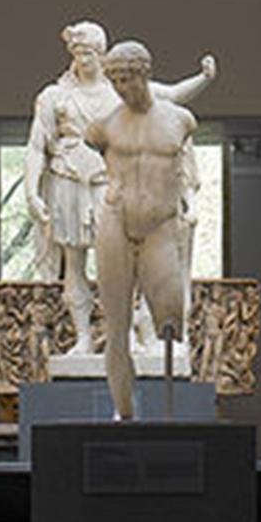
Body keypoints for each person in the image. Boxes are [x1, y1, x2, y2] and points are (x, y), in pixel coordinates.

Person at [90, 40, 204, 420]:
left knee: (171, 320)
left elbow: (185, 170)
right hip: (116, 221)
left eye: (128, 77)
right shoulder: (104, 127)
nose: (123, 87)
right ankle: (123, 412)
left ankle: (168, 414)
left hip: (160, 224)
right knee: (116, 324)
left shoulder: (180, 120)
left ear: (145, 73)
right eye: (116, 80)